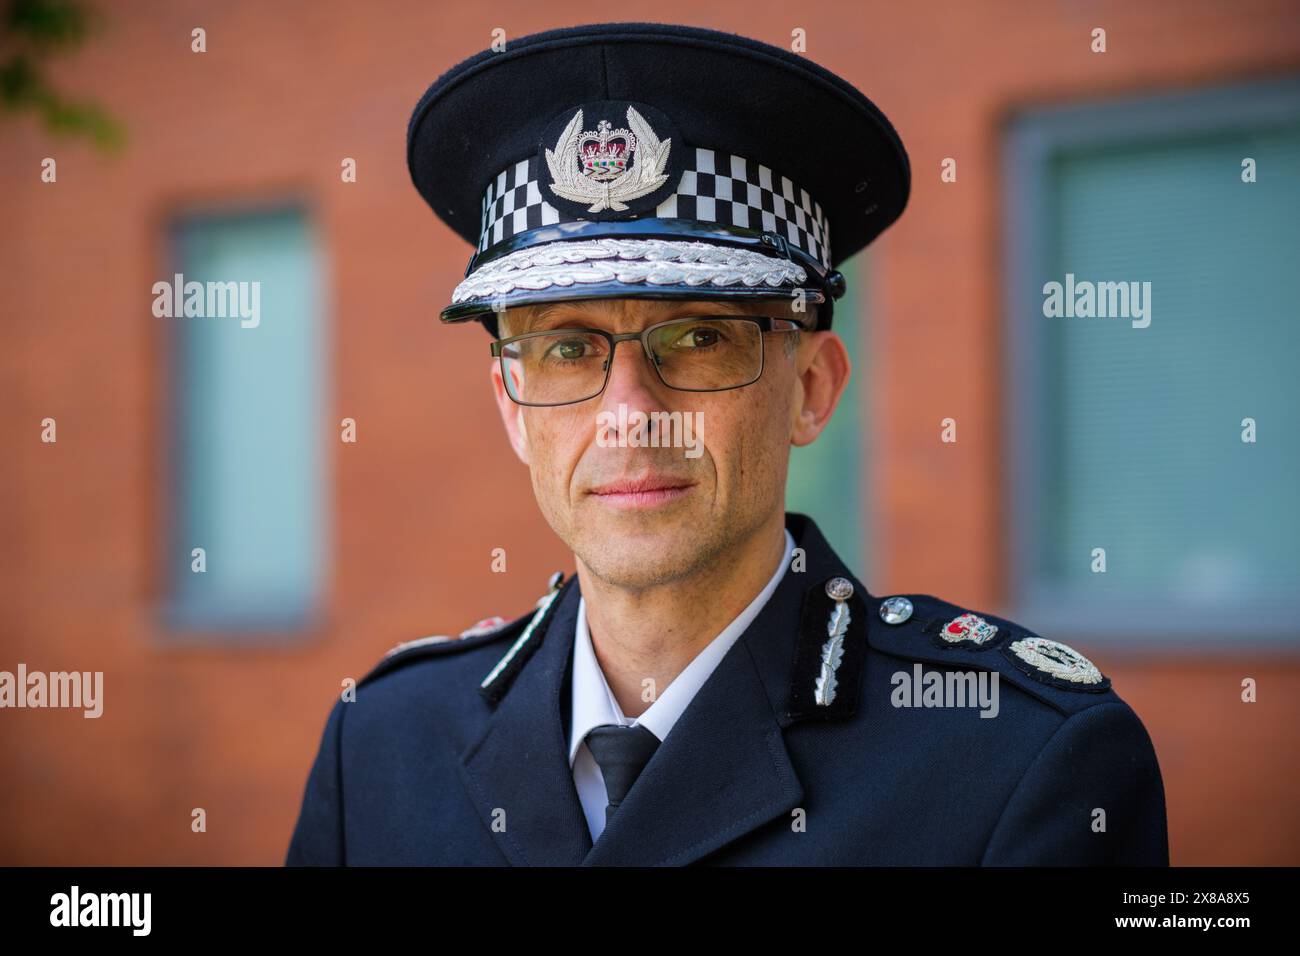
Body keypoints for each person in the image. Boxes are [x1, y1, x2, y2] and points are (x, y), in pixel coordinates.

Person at [286, 21, 1168, 866]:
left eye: (700, 338)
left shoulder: (1012, 761)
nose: (630, 414)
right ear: (514, 408)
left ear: (811, 391)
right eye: (565, 348)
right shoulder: (381, 747)